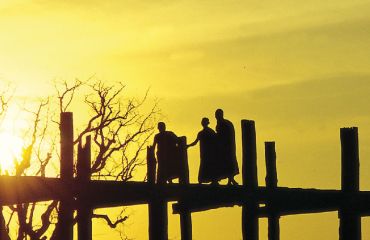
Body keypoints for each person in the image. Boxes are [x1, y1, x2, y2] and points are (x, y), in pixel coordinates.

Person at [187, 118, 219, 184]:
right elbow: (195, 142)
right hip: (204, 153)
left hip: (210, 152)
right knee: (204, 165)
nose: (203, 123)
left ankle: (214, 180)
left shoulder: (211, 132)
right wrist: (188, 146)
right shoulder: (201, 133)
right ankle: (202, 180)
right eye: (203, 122)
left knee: (211, 165)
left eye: (205, 122)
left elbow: (216, 141)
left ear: (207, 123)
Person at [215, 109, 239, 185]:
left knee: (228, 163)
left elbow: (222, 136)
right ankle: (231, 180)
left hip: (226, 147)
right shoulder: (225, 123)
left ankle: (231, 180)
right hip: (227, 147)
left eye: (217, 115)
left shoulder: (223, 124)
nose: (216, 117)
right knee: (228, 163)